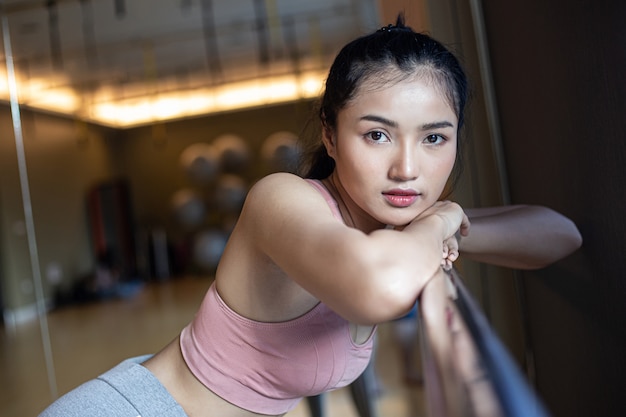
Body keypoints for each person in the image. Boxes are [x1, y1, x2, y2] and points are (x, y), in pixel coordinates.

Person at [39, 15, 582, 417]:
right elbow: (380, 286)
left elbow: (561, 234)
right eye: (376, 134)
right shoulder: (284, 199)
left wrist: (452, 218)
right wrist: (440, 222)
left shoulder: (395, 227)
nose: (407, 168)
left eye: (435, 137)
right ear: (329, 133)